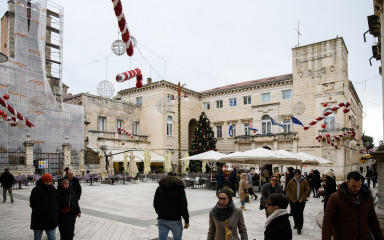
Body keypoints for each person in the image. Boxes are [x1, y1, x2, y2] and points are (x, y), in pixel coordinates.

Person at [322, 171, 384, 240]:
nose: (357, 189)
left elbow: (373, 221)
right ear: (347, 183)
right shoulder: (335, 198)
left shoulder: (367, 197)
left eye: (359, 186)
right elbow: (328, 222)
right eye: (354, 186)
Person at [153, 172, 189, 240]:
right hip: (175, 220)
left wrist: (160, 213)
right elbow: (183, 206)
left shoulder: (159, 188)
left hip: (162, 219)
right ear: (176, 177)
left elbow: (155, 203)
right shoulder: (180, 189)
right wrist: (186, 220)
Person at [30, 174, 58, 240]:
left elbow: (57, 202)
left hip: (51, 220)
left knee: (52, 237)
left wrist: (55, 211)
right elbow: (34, 204)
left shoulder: (53, 190)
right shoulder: (37, 190)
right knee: (37, 238)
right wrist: (42, 212)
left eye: (50, 181)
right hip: (39, 219)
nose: (48, 183)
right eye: (46, 181)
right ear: (43, 181)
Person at [286, 169, 310, 235]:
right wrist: (292, 199)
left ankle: (299, 228)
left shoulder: (304, 182)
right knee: (294, 213)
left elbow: (307, 191)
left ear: (300, 174)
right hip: (293, 200)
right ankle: (296, 224)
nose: (297, 175)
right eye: (296, 174)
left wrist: (302, 198)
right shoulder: (291, 181)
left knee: (300, 213)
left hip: (301, 201)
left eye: (298, 174)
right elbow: (288, 191)